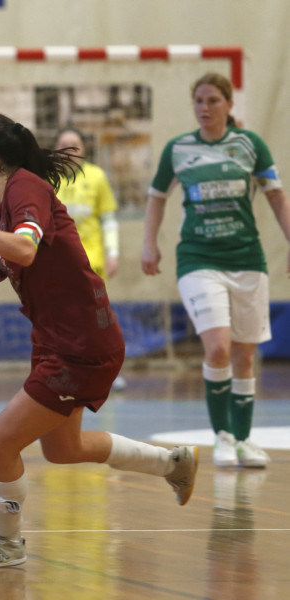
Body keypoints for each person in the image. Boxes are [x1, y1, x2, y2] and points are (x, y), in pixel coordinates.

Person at [0, 112, 198, 569]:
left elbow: (24, 249)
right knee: (64, 450)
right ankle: (172, 463)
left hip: (83, 343)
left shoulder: (26, 187)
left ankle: (7, 543)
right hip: (57, 341)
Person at [141, 72, 290, 468]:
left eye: (213, 101)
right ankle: (222, 436)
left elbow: (276, 196)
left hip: (247, 260)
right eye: (199, 102)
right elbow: (156, 198)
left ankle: (243, 440)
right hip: (198, 259)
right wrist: (148, 242)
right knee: (219, 347)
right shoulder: (179, 149)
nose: (205, 108)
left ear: (228, 105)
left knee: (244, 356)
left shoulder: (249, 145)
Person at [54, 127, 126, 390]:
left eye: (75, 144)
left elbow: (108, 219)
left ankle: (108, 370)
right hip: (58, 265)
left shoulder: (96, 177)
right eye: (64, 144)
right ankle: (64, 370)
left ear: (84, 149)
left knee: (97, 318)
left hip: (91, 262)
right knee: (61, 320)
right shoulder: (47, 180)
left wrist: (113, 253)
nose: (70, 149)